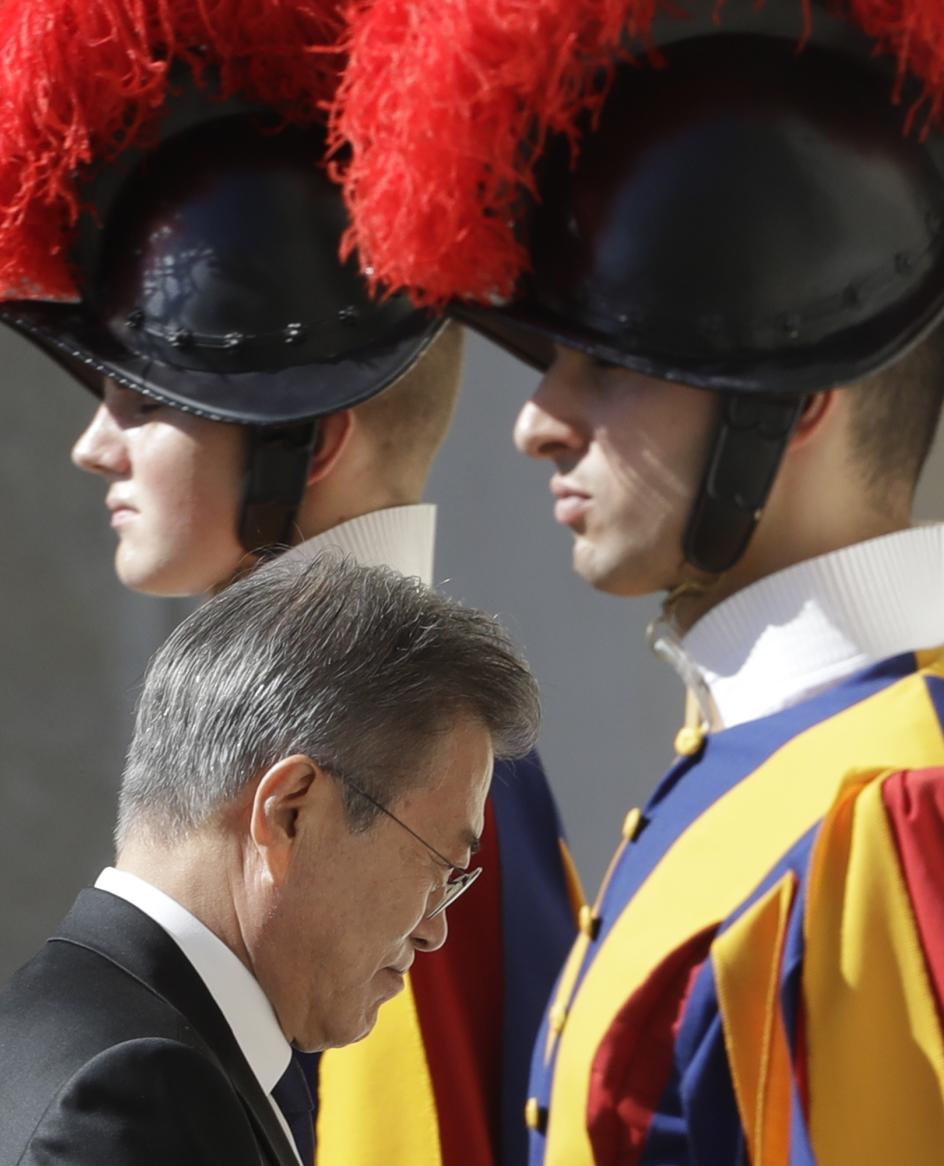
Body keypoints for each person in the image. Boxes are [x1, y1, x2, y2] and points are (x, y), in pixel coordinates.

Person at [328, 1, 944, 1162]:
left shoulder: (895, 801)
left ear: (795, 401)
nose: (537, 424)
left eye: (606, 364)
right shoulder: (778, 751)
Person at [0, 4, 579, 1165]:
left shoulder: (423, 776)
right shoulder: (429, 761)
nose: (95, 446)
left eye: (147, 398)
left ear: (311, 439)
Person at [0, 551, 542, 1165]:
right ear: (290, 813)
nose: (436, 930)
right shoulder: (140, 1093)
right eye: (438, 866)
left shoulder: (54, 1037)